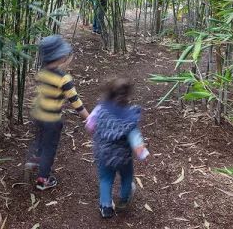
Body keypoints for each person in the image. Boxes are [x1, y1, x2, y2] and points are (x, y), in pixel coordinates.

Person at [25, 35, 90, 190]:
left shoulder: (41, 73)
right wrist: (89, 119)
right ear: (60, 57)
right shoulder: (64, 79)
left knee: (39, 140)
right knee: (49, 148)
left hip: (38, 114)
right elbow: (76, 103)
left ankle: (33, 162)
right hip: (52, 120)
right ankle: (43, 180)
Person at [87, 78, 149, 218]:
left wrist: (96, 133)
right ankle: (123, 200)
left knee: (105, 179)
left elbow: (90, 125)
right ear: (126, 96)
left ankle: (106, 207)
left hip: (104, 154)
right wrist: (142, 153)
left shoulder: (100, 110)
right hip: (123, 158)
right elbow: (135, 138)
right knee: (126, 178)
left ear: (109, 93)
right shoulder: (129, 116)